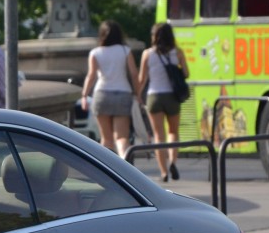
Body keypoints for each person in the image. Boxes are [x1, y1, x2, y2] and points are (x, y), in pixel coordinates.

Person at [137, 21, 190, 182]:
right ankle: (173, 162)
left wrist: (138, 96)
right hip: (172, 96)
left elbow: (142, 78)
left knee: (158, 136)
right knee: (173, 132)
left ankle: (163, 172)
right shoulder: (178, 52)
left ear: (154, 37)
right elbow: (187, 74)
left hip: (154, 96)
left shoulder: (147, 54)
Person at [81, 19, 141, 159]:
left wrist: (84, 95)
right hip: (122, 93)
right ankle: (125, 166)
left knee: (106, 139)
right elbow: (133, 73)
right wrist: (138, 93)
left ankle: (106, 171)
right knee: (121, 137)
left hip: (102, 94)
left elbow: (91, 76)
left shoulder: (96, 52)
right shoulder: (125, 50)